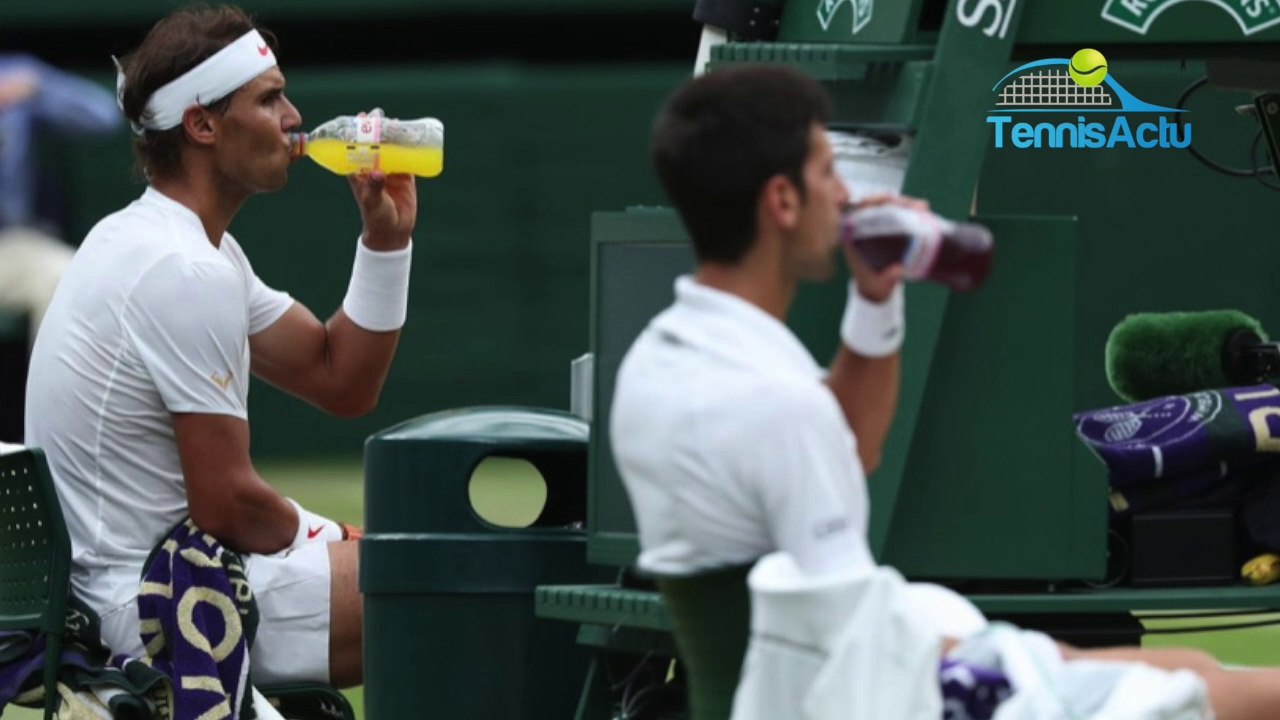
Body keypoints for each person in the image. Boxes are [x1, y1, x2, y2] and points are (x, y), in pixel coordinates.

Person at [610, 63, 1280, 719]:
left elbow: (854, 448)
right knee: (1227, 691)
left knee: (1185, 672)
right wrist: (1006, 662)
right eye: (826, 174)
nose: (844, 196)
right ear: (783, 202)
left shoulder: (671, 354)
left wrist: (877, 301)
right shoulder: (772, 401)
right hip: (874, 689)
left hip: (846, 664)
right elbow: (844, 646)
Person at [23, 5, 417, 688]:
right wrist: (329, 535)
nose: (295, 118)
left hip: (131, 589)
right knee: (464, 580)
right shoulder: (184, 266)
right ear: (203, 125)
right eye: (269, 100)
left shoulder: (178, 245)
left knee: (448, 572)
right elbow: (227, 505)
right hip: (150, 607)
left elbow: (341, 379)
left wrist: (386, 241)